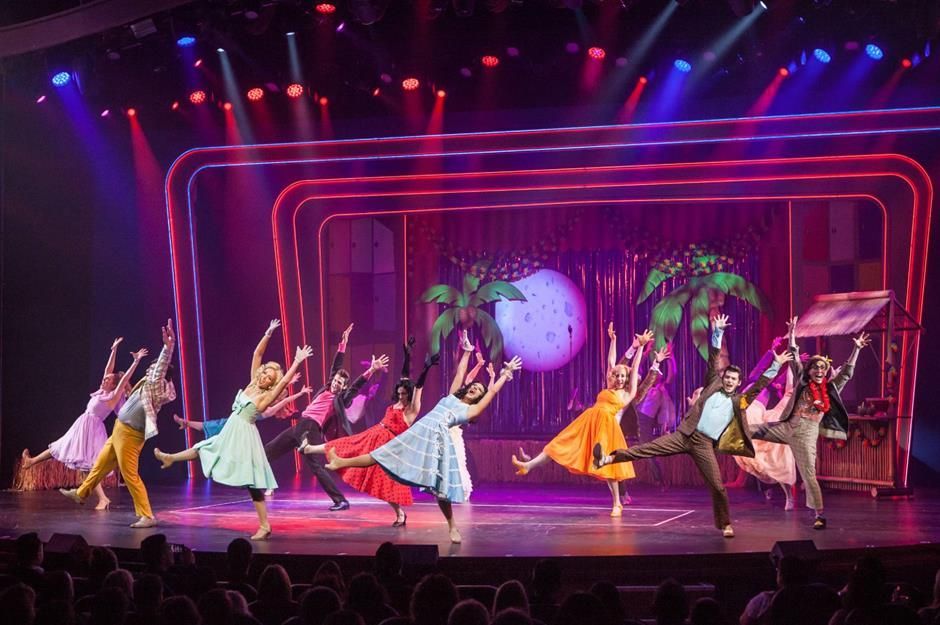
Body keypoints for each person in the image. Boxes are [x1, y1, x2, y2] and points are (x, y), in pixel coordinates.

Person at [595, 315, 793, 537]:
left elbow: (760, 384)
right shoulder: (712, 384)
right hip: (683, 435)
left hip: (703, 444)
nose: (728, 381)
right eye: (727, 377)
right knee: (643, 450)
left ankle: (725, 524)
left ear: (737, 384)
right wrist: (717, 333)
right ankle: (606, 459)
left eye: (733, 379)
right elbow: (714, 358)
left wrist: (776, 364)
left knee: (717, 486)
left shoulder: (739, 401)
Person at [326, 330, 523, 543]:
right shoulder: (451, 397)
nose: (474, 388)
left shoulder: (469, 411)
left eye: (478, 390)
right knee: (382, 454)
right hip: (420, 432)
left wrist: (504, 375)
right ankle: (340, 461)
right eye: (474, 385)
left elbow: (491, 394)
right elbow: (459, 375)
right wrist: (466, 351)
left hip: (438, 443)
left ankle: (452, 526)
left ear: (478, 398)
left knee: (441, 492)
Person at [154, 320, 313, 540]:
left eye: (270, 377)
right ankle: (170, 458)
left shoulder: (266, 396)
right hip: (231, 428)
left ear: (272, 384)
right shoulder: (251, 385)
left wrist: (296, 362)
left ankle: (265, 525)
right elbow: (257, 355)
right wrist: (268, 333)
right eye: (265, 373)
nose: (266, 376)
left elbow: (284, 381)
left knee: (252, 482)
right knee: (204, 446)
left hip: (244, 435)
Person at [511, 325, 664, 517]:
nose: (618, 378)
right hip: (589, 422)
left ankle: (617, 503)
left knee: (609, 466)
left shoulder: (627, 394)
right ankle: (528, 466)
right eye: (616, 375)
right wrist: (613, 340)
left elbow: (633, 376)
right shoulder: (609, 385)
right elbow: (610, 363)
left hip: (607, 428)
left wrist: (641, 347)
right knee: (559, 443)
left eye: (622, 376)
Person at [299, 340, 439, 526]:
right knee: (346, 444)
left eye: (404, 394)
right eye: (399, 392)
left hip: (389, 446)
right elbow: (405, 377)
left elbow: (418, 388)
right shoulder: (398, 401)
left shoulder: (411, 410)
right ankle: (309, 449)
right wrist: (408, 355)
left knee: (386, 482)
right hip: (374, 434)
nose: (400, 395)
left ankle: (400, 514)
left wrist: (426, 369)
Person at [751, 316, 870, 529]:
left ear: (825, 373)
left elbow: (847, 373)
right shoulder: (802, 382)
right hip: (785, 426)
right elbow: (794, 355)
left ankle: (818, 514)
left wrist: (857, 350)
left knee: (808, 474)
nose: (818, 370)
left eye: (822, 368)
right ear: (810, 370)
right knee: (749, 429)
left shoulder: (831, 389)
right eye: (815, 367)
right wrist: (793, 330)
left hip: (806, 433)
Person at [60, 319, 177, 528]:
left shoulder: (158, 386)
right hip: (120, 430)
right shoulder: (147, 384)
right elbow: (134, 395)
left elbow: (159, 368)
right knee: (101, 463)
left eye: (154, 368)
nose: (151, 369)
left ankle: (147, 516)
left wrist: (168, 348)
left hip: (131, 435)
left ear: (163, 375)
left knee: (130, 474)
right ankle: (81, 493)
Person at [266, 322, 388, 511]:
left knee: (315, 466)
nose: (336, 384)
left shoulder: (340, 399)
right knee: (269, 450)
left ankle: (340, 500)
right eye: (336, 381)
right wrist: (343, 343)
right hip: (301, 425)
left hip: (311, 428)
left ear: (343, 387)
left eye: (340, 383)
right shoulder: (326, 388)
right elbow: (336, 366)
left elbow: (355, 387)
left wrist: (371, 370)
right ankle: (252, 477)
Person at [22, 338, 140, 510]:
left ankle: (103, 499)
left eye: (107, 380)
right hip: (82, 425)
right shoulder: (102, 390)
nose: (104, 380)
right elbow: (109, 369)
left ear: (114, 385)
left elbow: (124, 379)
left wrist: (136, 361)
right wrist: (113, 350)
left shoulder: (113, 396)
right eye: (105, 378)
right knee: (59, 446)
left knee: (88, 465)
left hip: (92, 430)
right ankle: (31, 462)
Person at [730, 336, 798, 509]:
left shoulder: (770, 386)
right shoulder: (751, 383)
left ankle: (786, 494)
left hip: (757, 420)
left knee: (770, 457)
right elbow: (761, 368)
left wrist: (792, 361)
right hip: (744, 420)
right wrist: (771, 350)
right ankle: (769, 487)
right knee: (757, 460)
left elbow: (784, 383)